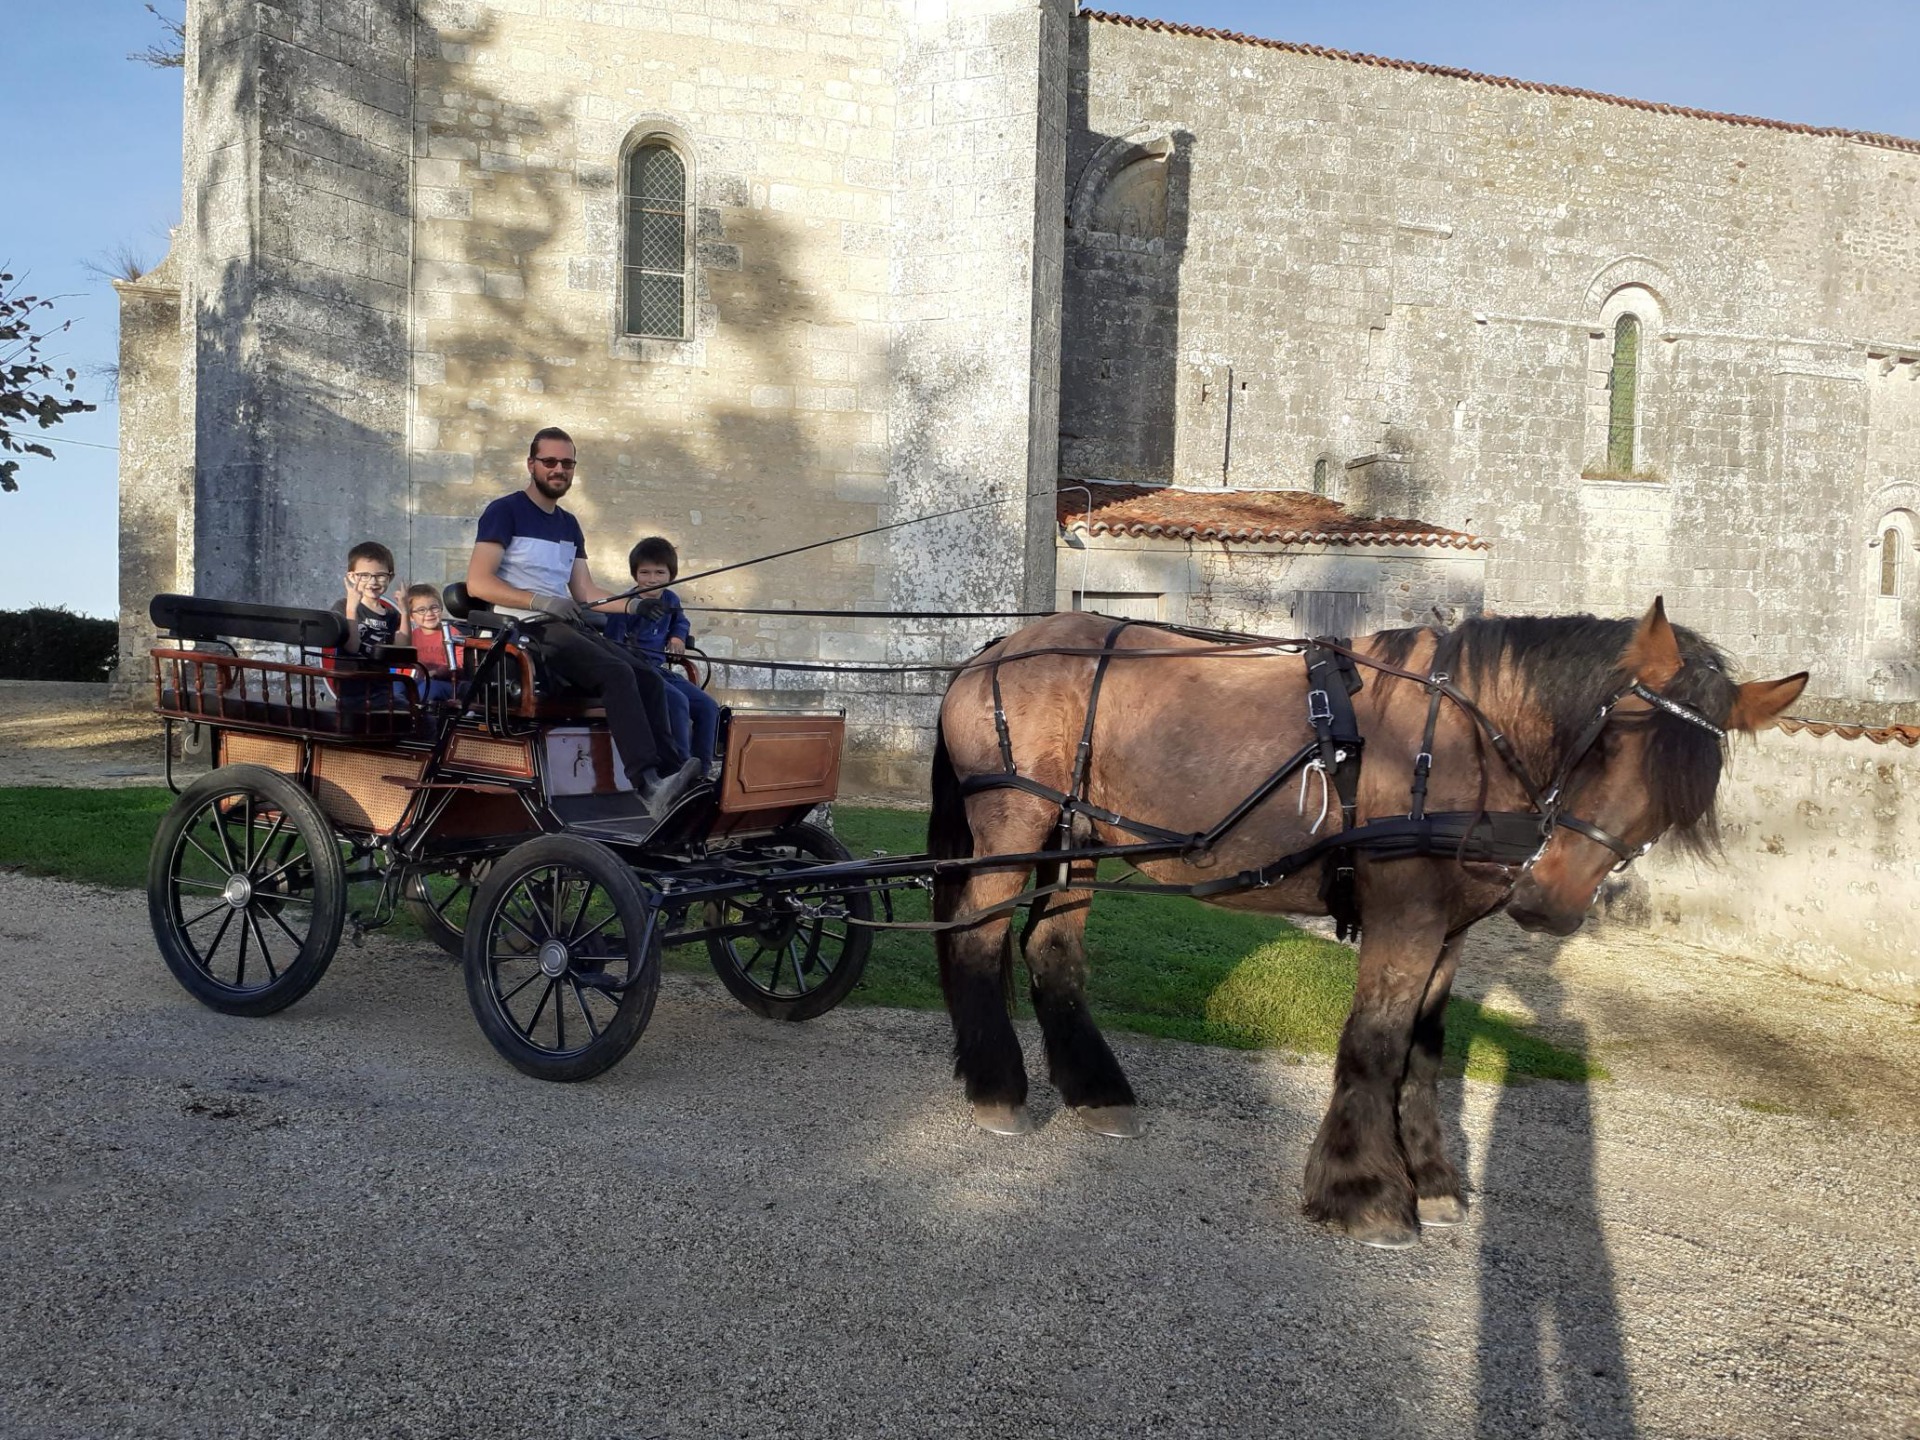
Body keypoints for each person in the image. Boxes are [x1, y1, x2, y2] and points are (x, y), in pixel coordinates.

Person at [464, 426, 702, 819]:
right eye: (550, 462)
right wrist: (539, 600)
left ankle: (674, 777)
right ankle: (647, 785)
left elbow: (585, 591)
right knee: (616, 673)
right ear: (532, 465)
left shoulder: (569, 524)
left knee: (645, 674)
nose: (559, 469)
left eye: (567, 463)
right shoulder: (503, 511)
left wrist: (632, 606)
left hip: (564, 625)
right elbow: (479, 582)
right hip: (525, 629)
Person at [605, 536, 722, 775]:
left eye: (659, 573)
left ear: (671, 575)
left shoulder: (670, 599)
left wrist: (677, 638)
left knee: (708, 706)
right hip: (637, 673)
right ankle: (679, 770)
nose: (652, 580)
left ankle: (702, 770)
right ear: (635, 575)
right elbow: (612, 645)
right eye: (645, 573)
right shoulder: (625, 606)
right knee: (678, 701)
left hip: (660, 670)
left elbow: (681, 622)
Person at [328, 540, 404, 709]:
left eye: (380, 575)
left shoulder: (392, 615)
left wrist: (405, 612)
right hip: (352, 689)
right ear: (352, 577)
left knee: (420, 713)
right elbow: (352, 647)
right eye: (364, 575)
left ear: (390, 577)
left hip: (382, 690)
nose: (373, 581)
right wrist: (352, 608)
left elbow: (401, 654)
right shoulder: (342, 607)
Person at [399, 583, 459, 704]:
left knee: (426, 689)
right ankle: (401, 709)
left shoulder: (451, 633)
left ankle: (417, 714)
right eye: (422, 610)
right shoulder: (411, 636)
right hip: (416, 679)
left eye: (434, 608)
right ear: (411, 616)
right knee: (397, 684)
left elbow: (459, 663)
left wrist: (436, 673)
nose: (429, 613)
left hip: (445, 683)